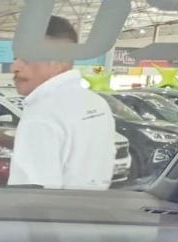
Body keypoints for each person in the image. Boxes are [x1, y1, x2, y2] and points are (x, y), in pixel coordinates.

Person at [8, 16, 115, 189]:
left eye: (26, 58)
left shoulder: (41, 115)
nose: (14, 67)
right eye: (15, 58)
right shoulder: (98, 104)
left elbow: (30, 198)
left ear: (60, 62)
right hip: (95, 205)